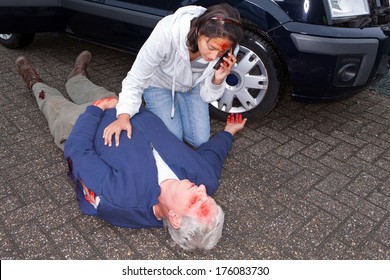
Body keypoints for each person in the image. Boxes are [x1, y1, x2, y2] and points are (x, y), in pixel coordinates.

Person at [15, 51, 247, 251]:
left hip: (78, 126)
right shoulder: (203, 178)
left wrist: (94, 113)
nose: (203, 189)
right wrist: (229, 132)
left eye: (197, 200)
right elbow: (213, 156)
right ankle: (77, 78)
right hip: (124, 110)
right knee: (88, 88)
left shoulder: (121, 200)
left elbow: (78, 152)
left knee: (53, 104)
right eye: (207, 196)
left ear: (174, 218)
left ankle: (35, 83)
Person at [103, 3, 243, 148]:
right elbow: (136, 78)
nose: (213, 56)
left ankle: (174, 107)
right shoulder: (168, 31)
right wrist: (123, 116)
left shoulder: (228, 51)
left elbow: (207, 97)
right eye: (211, 47)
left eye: (220, 52)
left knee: (200, 141)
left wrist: (217, 80)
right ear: (198, 30)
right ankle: (147, 111)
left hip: (191, 87)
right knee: (172, 140)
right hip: (159, 85)